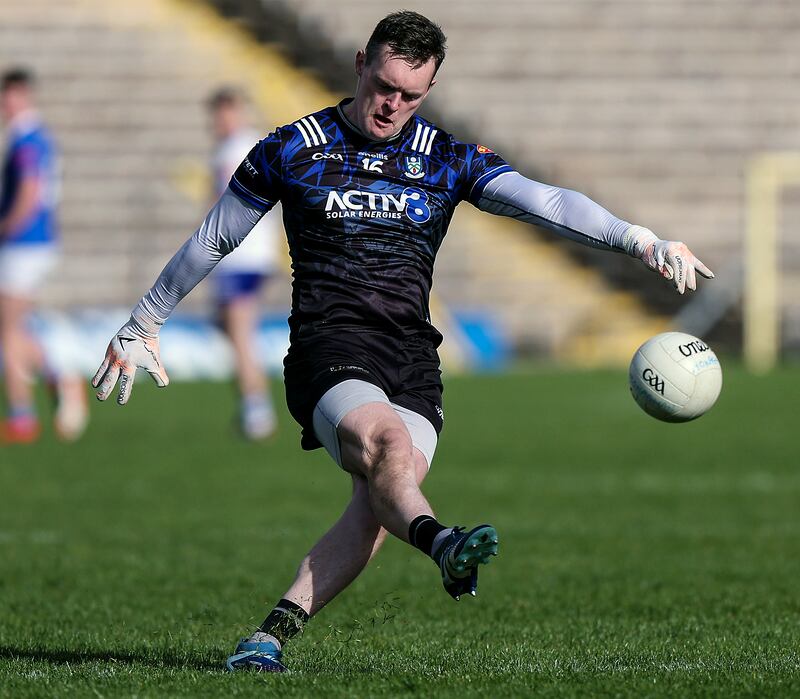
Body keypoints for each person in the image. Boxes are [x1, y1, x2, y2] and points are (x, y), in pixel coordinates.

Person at [91, 11, 713, 672]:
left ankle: (268, 636)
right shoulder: (295, 148)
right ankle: (446, 544)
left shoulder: (443, 158)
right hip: (328, 350)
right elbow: (216, 235)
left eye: (411, 94)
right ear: (361, 63)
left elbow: (549, 203)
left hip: (413, 357)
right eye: (385, 84)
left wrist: (640, 238)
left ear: (429, 89)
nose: (393, 104)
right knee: (388, 448)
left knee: (381, 498)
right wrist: (143, 322)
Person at [0, 67, 87, 444]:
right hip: (34, 244)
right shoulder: (33, 137)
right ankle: (59, 378)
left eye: (11, 95)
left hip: (25, 244)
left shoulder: (27, 139)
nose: (7, 103)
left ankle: (23, 416)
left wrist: (5, 227)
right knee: (13, 327)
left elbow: (31, 192)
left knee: (5, 329)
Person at [207, 87, 281, 440]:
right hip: (245, 255)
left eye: (227, 112)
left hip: (242, 255)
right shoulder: (233, 147)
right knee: (231, 328)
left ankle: (257, 409)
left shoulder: (238, 149)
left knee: (239, 332)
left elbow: (227, 206)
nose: (221, 121)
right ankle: (253, 403)